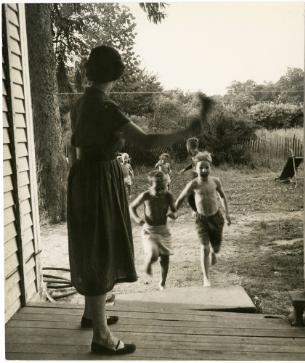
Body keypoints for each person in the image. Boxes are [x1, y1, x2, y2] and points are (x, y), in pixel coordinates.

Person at [67, 45, 212, 355]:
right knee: (101, 246)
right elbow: (146, 141)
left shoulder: (81, 104)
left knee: (91, 242)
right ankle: (102, 336)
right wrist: (184, 131)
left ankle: (92, 315)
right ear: (115, 74)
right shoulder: (106, 108)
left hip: (83, 177)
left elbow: (78, 146)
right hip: (99, 180)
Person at [175, 151, 231, 287]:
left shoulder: (215, 181)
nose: (204, 170)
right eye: (201, 167)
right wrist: (172, 211)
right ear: (195, 168)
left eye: (207, 167)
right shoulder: (193, 184)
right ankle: (206, 278)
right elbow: (181, 198)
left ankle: (214, 252)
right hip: (201, 220)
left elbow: (222, 196)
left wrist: (227, 213)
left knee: (215, 248)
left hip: (216, 218)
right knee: (204, 247)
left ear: (210, 167)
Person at [129, 170, 177, 290]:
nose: (161, 187)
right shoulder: (146, 195)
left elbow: (175, 211)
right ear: (151, 184)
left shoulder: (168, 195)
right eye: (157, 184)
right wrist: (138, 219)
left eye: (163, 184)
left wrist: (173, 214)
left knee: (165, 257)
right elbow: (132, 207)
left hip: (163, 230)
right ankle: (148, 263)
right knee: (154, 254)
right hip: (149, 230)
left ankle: (162, 282)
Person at [179, 137, 200, 212]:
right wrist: (185, 169)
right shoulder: (194, 154)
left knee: (190, 196)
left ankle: (198, 212)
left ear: (189, 146)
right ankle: (198, 212)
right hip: (195, 178)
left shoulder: (198, 155)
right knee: (193, 196)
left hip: (199, 178)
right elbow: (193, 164)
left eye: (187, 146)